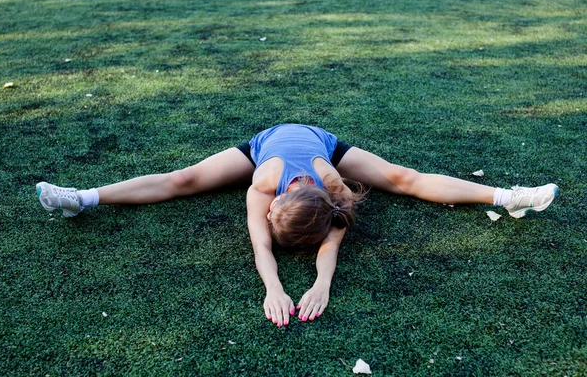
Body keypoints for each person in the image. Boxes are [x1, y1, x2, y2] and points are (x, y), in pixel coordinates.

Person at [36, 124, 558, 327]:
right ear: (273, 205)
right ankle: (82, 198)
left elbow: (332, 237)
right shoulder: (263, 183)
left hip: (321, 147)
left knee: (403, 177)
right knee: (184, 179)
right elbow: (262, 248)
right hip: (273, 142)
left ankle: (508, 196)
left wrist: (322, 282)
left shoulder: (333, 194)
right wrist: (276, 288)